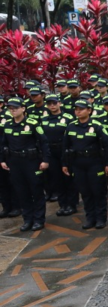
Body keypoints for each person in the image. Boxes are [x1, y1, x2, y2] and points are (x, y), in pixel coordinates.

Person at [63, 100, 108, 230]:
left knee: (98, 191)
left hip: (95, 163)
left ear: (89, 110)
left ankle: (101, 218)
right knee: (85, 192)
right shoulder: (71, 126)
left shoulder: (97, 126)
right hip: (78, 164)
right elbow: (66, 146)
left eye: (81, 109)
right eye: (76, 109)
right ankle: (90, 218)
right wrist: (65, 164)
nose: (78, 111)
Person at [1, 98, 49, 231]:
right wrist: (2, 160)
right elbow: (3, 144)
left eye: (16, 108)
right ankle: (28, 219)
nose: (13, 111)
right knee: (22, 192)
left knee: (36, 190)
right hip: (15, 162)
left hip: (31, 162)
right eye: (10, 108)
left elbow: (43, 142)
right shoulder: (7, 124)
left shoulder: (32, 123)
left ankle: (39, 219)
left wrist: (45, 160)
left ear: (23, 108)